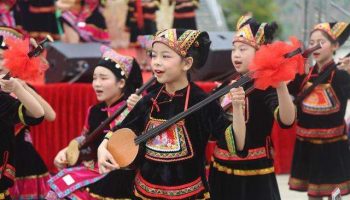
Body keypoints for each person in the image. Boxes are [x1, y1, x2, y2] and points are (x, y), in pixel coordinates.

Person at [97, 28, 242, 199]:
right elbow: (122, 128)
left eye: (165, 56)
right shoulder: (149, 100)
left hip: (189, 194)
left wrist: (238, 109)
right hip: (144, 193)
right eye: (154, 55)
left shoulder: (202, 102)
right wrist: (102, 146)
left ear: (186, 63)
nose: (156, 62)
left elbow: (236, 144)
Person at [209, 15, 296, 200]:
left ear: (260, 53)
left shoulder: (266, 88)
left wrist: (280, 84)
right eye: (234, 49)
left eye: (242, 49)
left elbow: (287, 121)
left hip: (255, 172)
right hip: (221, 168)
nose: (236, 54)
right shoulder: (225, 85)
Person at [47, 47, 143, 199]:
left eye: (103, 78)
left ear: (121, 83)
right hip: (94, 168)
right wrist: (66, 151)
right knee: (56, 188)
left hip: (120, 172)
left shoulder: (133, 108)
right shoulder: (95, 110)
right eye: (94, 78)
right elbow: (86, 139)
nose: (96, 84)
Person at [288, 22, 350, 200]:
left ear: (336, 46)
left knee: (333, 194)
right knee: (313, 194)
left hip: (333, 146)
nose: (315, 45)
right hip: (307, 144)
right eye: (312, 41)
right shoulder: (303, 75)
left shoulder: (342, 75)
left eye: (321, 41)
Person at [0, 26, 55, 200]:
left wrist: (21, 86)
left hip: (20, 156)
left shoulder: (17, 89)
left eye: (2, 58)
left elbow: (48, 115)